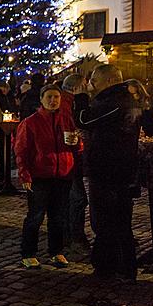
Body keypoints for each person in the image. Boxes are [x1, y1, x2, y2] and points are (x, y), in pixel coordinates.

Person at [74, 64, 153, 281]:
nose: (91, 83)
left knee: (106, 221)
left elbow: (84, 120)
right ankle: (122, 267)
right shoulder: (125, 99)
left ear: (109, 81)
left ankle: (109, 267)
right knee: (120, 220)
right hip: (121, 167)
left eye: (95, 79)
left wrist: (81, 99)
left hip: (108, 168)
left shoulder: (113, 101)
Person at [15, 84, 78, 269]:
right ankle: (28, 252)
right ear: (42, 99)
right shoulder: (31, 122)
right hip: (40, 175)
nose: (53, 101)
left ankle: (56, 251)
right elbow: (21, 150)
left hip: (62, 174)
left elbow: (75, 144)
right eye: (49, 97)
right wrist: (24, 174)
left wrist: (77, 143)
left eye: (56, 97)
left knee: (58, 216)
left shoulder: (66, 119)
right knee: (35, 215)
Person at [61, 74, 89, 256]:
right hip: (67, 158)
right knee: (77, 198)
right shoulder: (68, 104)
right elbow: (73, 126)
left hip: (70, 157)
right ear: (77, 87)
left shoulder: (67, 102)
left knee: (74, 198)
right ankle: (73, 238)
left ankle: (72, 236)